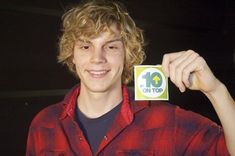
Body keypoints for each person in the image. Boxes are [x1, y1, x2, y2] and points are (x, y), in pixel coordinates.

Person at [26, 0, 235, 155]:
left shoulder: (166, 120)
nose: (97, 58)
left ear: (128, 54)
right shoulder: (44, 124)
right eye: (85, 46)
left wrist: (216, 90)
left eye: (111, 46)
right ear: (72, 55)